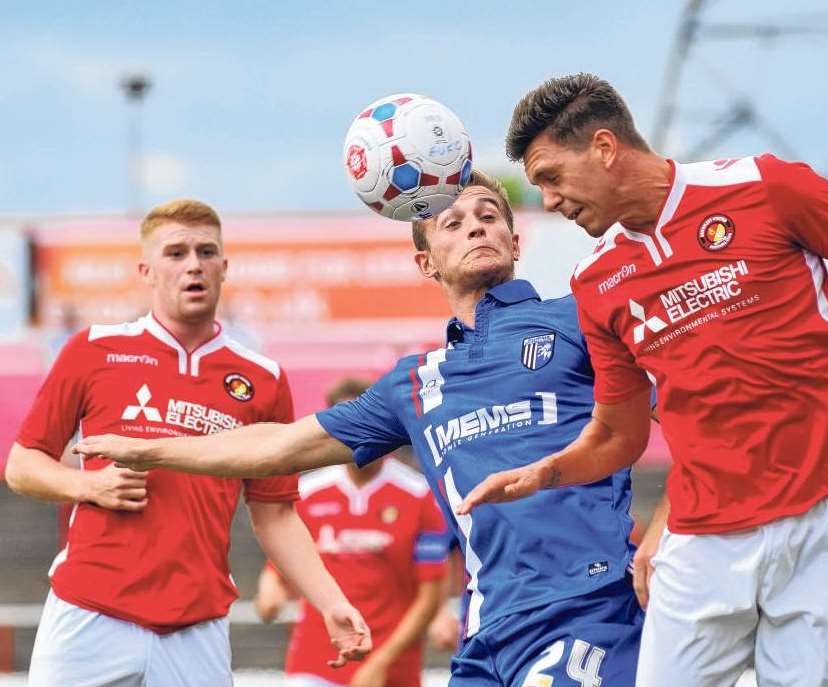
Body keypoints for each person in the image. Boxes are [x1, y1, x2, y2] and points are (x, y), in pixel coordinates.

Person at [75, 172, 648, 687]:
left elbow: (700, 407)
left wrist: (667, 534)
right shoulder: (415, 382)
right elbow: (278, 443)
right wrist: (153, 450)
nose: (475, 227)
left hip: (587, 610)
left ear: (515, 242)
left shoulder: (579, 318)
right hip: (487, 636)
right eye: (452, 222)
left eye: (489, 217)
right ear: (427, 263)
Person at [458, 73, 828, 687]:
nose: (549, 201)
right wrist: (547, 471)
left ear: (604, 148)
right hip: (702, 537)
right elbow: (618, 435)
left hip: (827, 514)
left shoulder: (767, 187)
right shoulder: (595, 281)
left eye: (551, 176)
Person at [5, 199, 370, 686]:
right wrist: (86, 488)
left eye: (206, 251)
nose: (193, 264)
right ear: (147, 269)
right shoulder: (93, 350)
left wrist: (330, 602)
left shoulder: (263, 379)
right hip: (88, 612)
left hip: (195, 627)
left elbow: (275, 513)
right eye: (175, 253)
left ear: (224, 267)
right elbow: (22, 464)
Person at [254, 377, 450, 687]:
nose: (353, 435)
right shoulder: (309, 490)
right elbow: (282, 564)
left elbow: (429, 597)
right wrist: (270, 588)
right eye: (342, 425)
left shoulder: (418, 494)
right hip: (314, 662)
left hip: (389, 668)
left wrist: (382, 662)